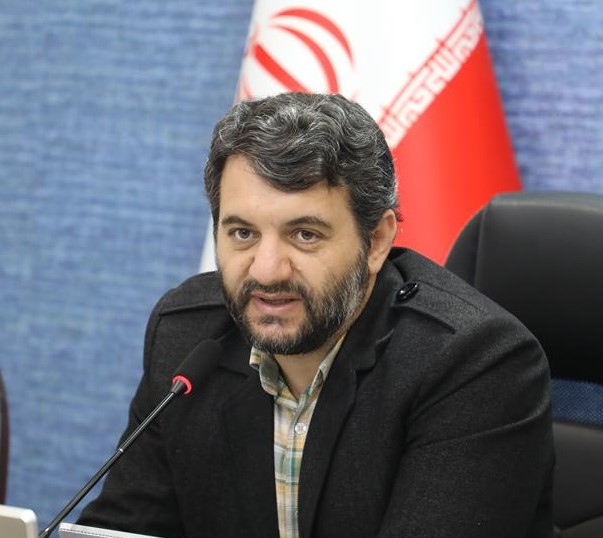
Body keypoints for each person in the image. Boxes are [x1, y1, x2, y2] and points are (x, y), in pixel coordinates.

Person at [78, 92, 553, 537]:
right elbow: (125, 527)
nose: (266, 271)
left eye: (304, 235)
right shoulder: (188, 336)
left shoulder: (472, 363)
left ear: (377, 241)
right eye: (242, 233)